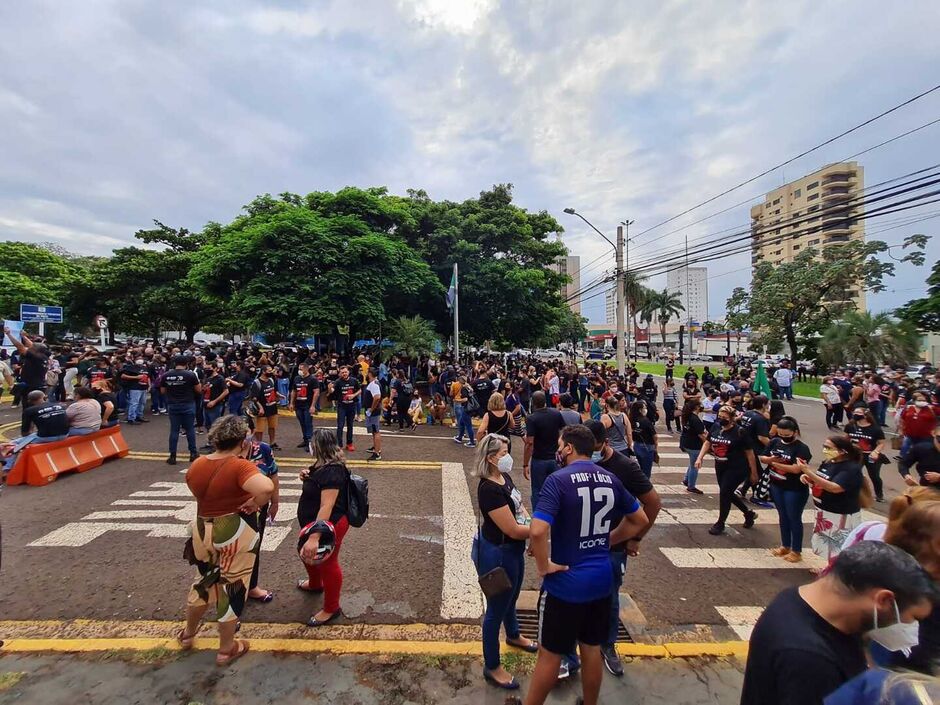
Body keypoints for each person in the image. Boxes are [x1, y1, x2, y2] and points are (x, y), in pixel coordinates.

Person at [522, 425, 649, 705]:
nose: (557, 449)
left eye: (559, 444)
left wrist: (544, 566)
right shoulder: (609, 478)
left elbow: (538, 530)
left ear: (568, 448)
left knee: (549, 654)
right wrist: (608, 540)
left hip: (566, 583)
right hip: (601, 579)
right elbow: (640, 519)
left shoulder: (558, 480)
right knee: (591, 648)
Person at [740, 541, 938, 705]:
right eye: (915, 618)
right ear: (884, 600)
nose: (913, 627)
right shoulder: (811, 660)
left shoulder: (799, 599)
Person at [178, 414, 274, 666]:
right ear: (242, 441)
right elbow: (265, 488)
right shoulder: (239, 465)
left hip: (202, 527)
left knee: (202, 581)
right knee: (232, 587)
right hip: (232, 528)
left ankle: (188, 634)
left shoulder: (197, 464)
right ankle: (226, 648)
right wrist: (254, 503)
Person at [586, 420, 661, 678]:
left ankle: (608, 644)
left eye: (592, 449)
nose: (588, 454)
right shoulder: (576, 459)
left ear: (605, 443)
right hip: (581, 543)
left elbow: (652, 504)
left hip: (612, 546)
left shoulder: (625, 466)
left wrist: (636, 537)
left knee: (610, 596)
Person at [473, 434, 537, 690]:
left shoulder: (504, 478)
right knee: (496, 609)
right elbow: (511, 528)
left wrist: (532, 525)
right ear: (490, 458)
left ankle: (513, 634)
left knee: (512, 598)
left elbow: (520, 508)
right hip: (497, 554)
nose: (508, 457)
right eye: (503, 453)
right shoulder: (489, 489)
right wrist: (540, 531)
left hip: (513, 550)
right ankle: (493, 666)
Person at [297, 429, 351, 627]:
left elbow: (327, 505)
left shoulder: (333, 471)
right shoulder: (323, 464)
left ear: (317, 446)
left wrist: (315, 536)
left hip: (329, 525)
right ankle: (314, 584)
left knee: (328, 563)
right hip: (314, 524)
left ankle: (331, 608)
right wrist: (306, 475)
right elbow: (316, 479)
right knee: (307, 555)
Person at [801, 434, 865, 566]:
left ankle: (836, 573)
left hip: (841, 514)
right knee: (826, 544)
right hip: (824, 510)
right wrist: (810, 480)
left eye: (828, 448)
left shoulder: (850, 469)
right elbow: (822, 480)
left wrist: (808, 472)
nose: (825, 450)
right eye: (824, 446)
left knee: (840, 546)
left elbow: (835, 488)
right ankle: (829, 568)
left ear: (842, 451)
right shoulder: (828, 463)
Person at [695, 405, 759, 535]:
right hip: (720, 465)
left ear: (732, 418)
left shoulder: (740, 432)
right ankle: (748, 513)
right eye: (719, 417)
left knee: (725, 492)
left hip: (737, 467)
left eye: (724, 417)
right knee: (727, 492)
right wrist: (700, 457)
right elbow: (708, 442)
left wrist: (753, 472)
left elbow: (750, 453)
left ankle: (720, 523)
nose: (721, 419)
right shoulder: (716, 427)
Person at [760, 417, 812, 563]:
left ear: (795, 432)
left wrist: (776, 463)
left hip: (794, 488)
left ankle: (796, 550)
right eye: (781, 434)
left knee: (794, 518)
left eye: (787, 435)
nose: (783, 437)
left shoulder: (801, 448)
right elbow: (763, 458)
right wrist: (772, 461)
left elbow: (797, 469)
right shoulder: (775, 442)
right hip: (777, 485)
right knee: (783, 516)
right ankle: (785, 545)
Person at [242, 417, 279, 605]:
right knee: (233, 554)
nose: (244, 437)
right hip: (234, 512)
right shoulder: (228, 455)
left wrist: (274, 502)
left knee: (255, 546)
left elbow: (273, 473)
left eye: (246, 431)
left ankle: (252, 586)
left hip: (259, 510)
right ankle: (232, 602)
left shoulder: (262, 449)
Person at [523, 391, 565, 510]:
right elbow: (563, 432)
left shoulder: (531, 418)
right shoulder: (556, 414)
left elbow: (530, 443)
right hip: (555, 458)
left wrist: (525, 463)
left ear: (533, 403)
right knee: (556, 488)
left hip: (539, 458)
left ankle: (538, 516)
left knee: (537, 490)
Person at [161, 355, 202, 465]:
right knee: (189, 429)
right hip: (188, 404)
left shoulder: (166, 375)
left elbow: (163, 391)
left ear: (175, 363)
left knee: (174, 430)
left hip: (173, 404)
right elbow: (199, 390)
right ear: (187, 364)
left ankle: (172, 455)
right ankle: (193, 453)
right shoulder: (190, 375)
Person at [844, 408, 887, 503]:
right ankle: (853, 492)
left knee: (874, 476)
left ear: (866, 415)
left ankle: (879, 495)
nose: (855, 414)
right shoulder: (850, 426)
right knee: (853, 473)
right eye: (854, 412)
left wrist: (875, 452)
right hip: (856, 455)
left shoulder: (875, 429)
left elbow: (881, 443)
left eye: (858, 413)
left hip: (870, 456)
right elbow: (846, 439)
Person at [249, 365, 282, 451]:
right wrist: (260, 408)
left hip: (272, 407)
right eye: (269, 370)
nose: (271, 372)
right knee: (260, 429)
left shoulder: (271, 380)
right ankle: (259, 445)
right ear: (263, 371)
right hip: (262, 410)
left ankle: (272, 443)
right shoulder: (257, 383)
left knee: (272, 427)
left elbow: (274, 390)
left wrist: (279, 395)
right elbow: (254, 398)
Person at [679, 399, 707, 494]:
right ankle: (691, 486)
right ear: (697, 407)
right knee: (695, 466)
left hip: (686, 442)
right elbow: (701, 435)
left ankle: (687, 479)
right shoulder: (695, 419)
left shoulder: (687, 416)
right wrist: (708, 446)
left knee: (692, 463)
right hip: (694, 445)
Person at [330, 366, 360, 452]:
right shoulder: (338, 382)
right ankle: (339, 444)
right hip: (342, 406)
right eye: (342, 372)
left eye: (345, 372)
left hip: (351, 406)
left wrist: (353, 395)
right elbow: (332, 390)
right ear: (340, 373)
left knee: (350, 425)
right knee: (340, 425)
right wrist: (329, 388)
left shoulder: (354, 381)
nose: (344, 374)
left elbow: (359, 390)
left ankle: (349, 443)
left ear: (348, 372)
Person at [901, 423, 940, 489]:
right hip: (926, 490)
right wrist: (906, 475)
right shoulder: (921, 449)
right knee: (901, 499)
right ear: (933, 433)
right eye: (939, 439)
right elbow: (903, 464)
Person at [628, 400, 657, 479]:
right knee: (646, 471)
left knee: (639, 469)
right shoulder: (646, 421)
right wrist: (655, 447)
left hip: (636, 445)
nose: (646, 410)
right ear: (640, 410)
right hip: (647, 446)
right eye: (644, 408)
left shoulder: (631, 419)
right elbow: (654, 436)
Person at [289, 363, 316, 449]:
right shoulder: (297, 378)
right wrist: (291, 403)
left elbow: (316, 392)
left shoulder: (312, 379)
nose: (300, 371)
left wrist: (313, 405)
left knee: (308, 423)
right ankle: (305, 440)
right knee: (302, 422)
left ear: (306, 369)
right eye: (299, 369)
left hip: (307, 404)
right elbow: (294, 391)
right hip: (298, 405)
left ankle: (310, 442)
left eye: (301, 369)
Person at [201, 364, 228, 446]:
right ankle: (210, 442)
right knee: (207, 424)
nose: (207, 370)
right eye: (205, 368)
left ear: (215, 368)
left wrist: (215, 401)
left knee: (215, 425)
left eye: (209, 368)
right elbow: (203, 390)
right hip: (205, 404)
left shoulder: (220, 379)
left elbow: (226, 391)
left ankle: (217, 444)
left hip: (215, 405)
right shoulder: (207, 378)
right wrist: (203, 388)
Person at [363, 369, 383, 461]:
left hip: (373, 412)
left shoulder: (374, 384)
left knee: (375, 431)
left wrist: (371, 409)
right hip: (373, 411)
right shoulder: (374, 383)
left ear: (370, 374)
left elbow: (377, 397)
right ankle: (375, 447)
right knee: (374, 431)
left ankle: (377, 452)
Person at [451, 375, 477, 447]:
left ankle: (472, 441)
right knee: (461, 423)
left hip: (466, 408)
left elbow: (465, 399)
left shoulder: (464, 388)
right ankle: (460, 437)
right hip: (467, 407)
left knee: (468, 425)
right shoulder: (469, 387)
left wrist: (457, 400)